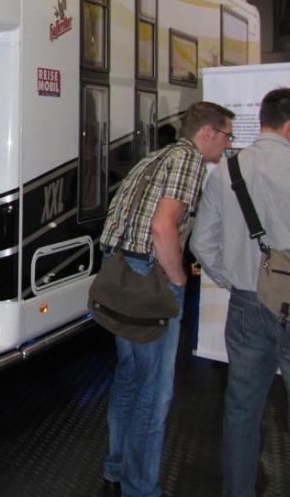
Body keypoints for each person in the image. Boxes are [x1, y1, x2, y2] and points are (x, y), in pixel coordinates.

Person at [191, 88, 290, 497]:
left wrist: (234, 278)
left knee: (241, 409)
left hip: (246, 303)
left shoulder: (226, 170)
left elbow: (202, 243)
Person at [99, 101, 235, 497]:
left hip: (117, 274)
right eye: (227, 136)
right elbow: (163, 228)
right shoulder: (189, 161)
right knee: (155, 390)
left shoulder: (153, 158)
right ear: (207, 132)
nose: (228, 145)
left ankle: (116, 468)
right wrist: (177, 280)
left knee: (129, 375)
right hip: (148, 279)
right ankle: (141, 487)